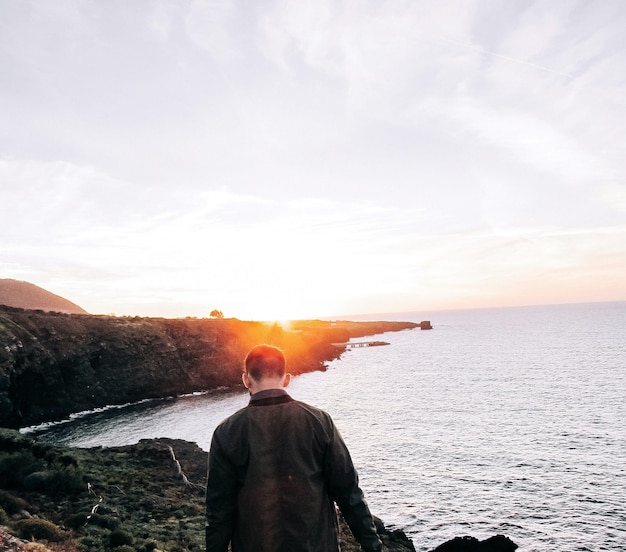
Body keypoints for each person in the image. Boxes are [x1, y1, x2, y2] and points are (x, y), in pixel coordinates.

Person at [205, 344, 383, 552]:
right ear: (287, 379)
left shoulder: (226, 431)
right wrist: (372, 545)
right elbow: (348, 493)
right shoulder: (319, 422)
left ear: (246, 380)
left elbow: (219, 511)